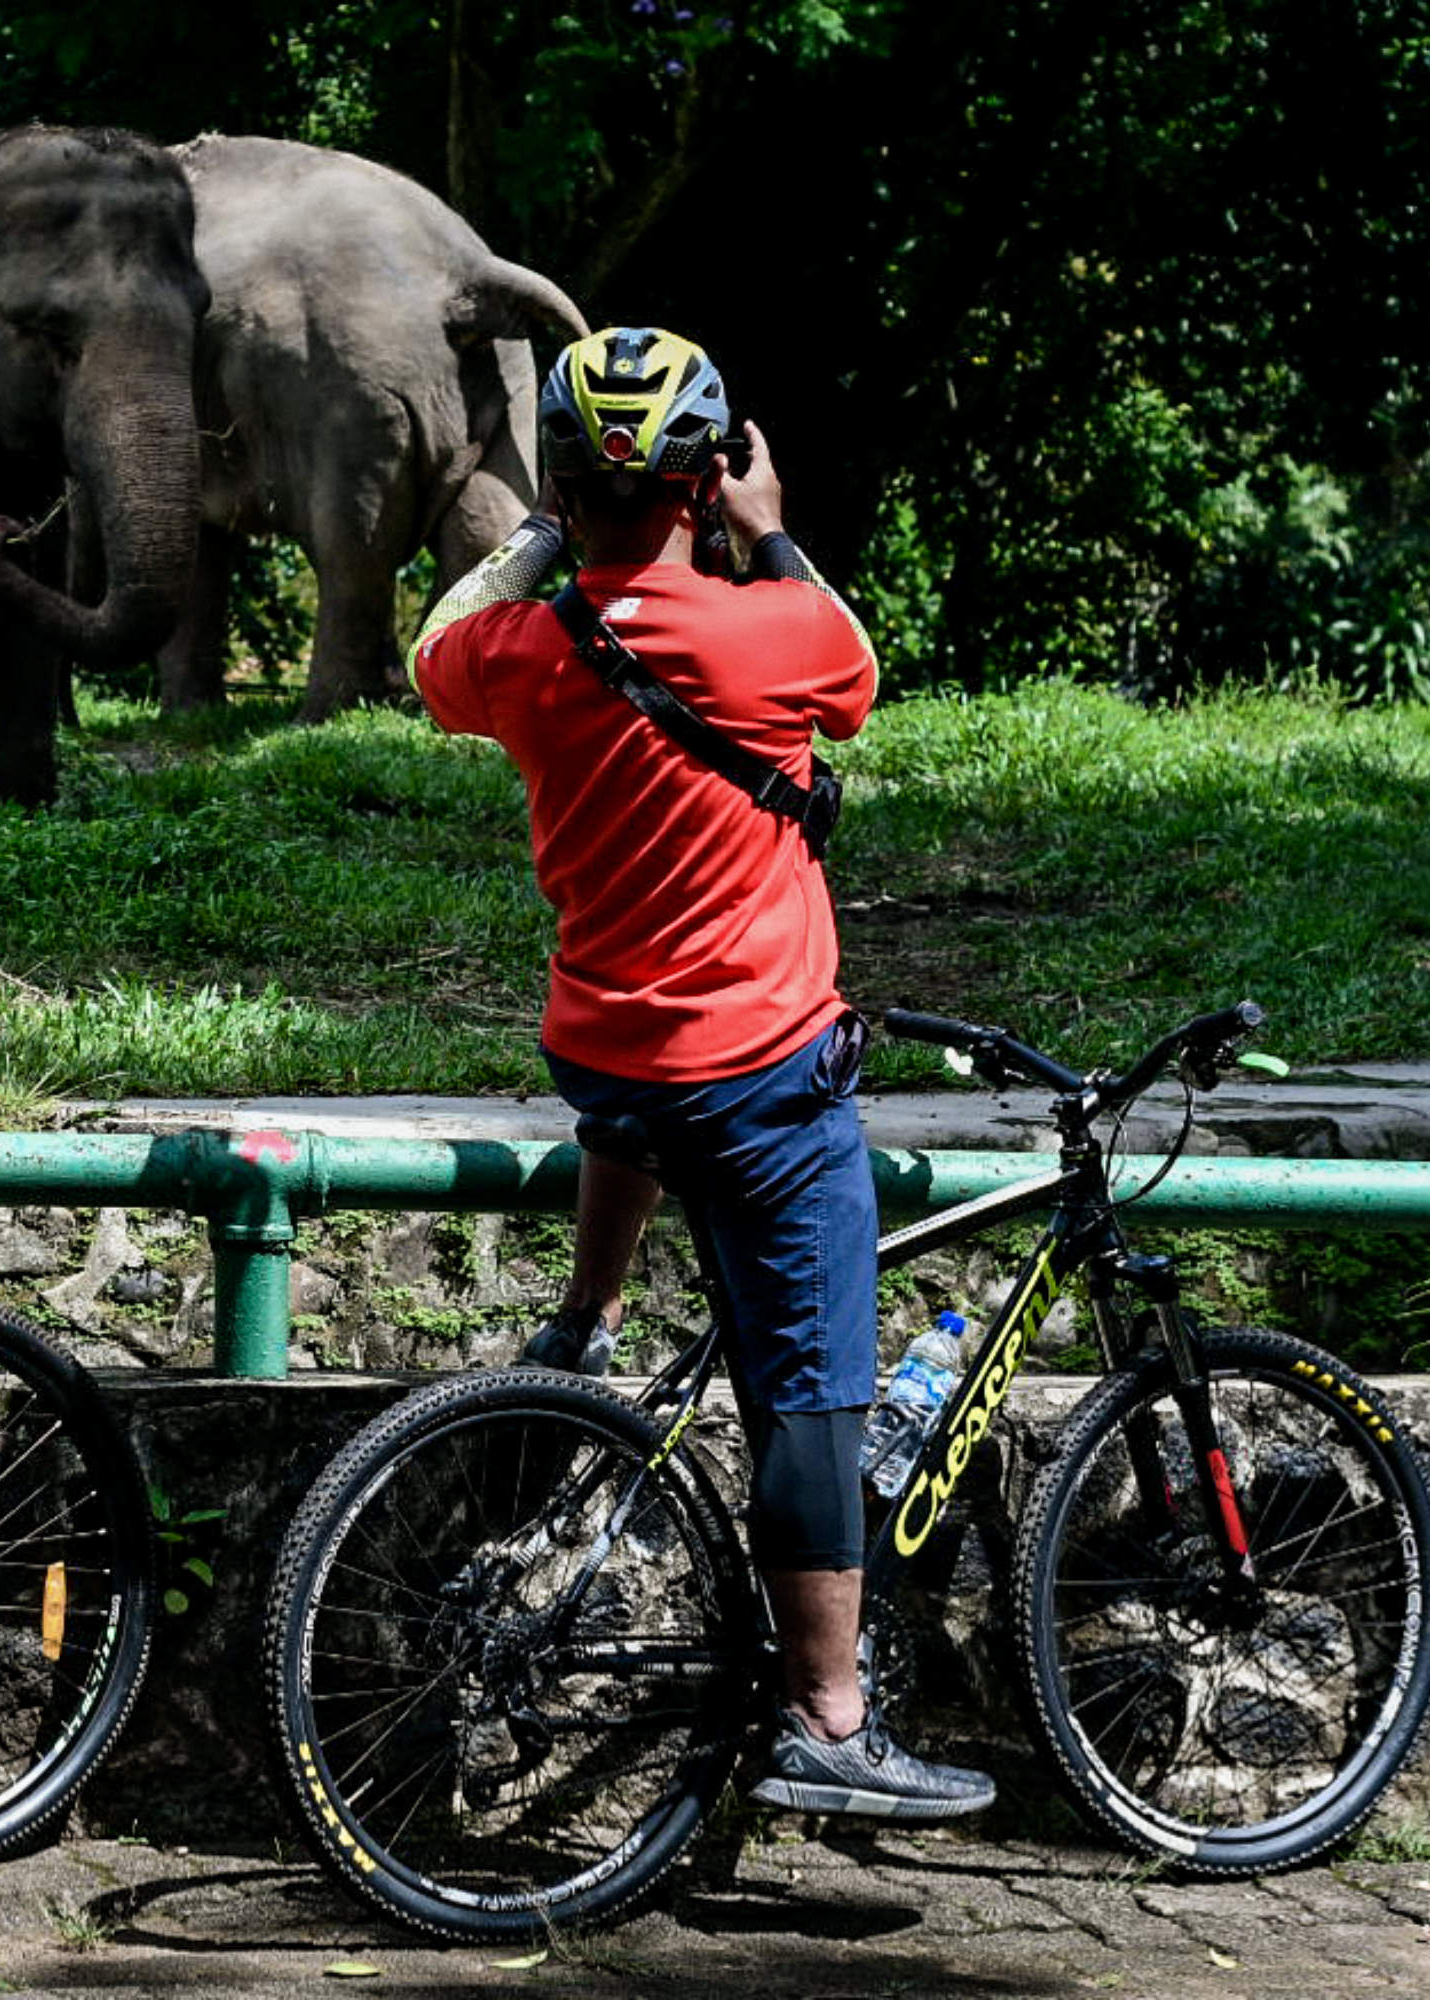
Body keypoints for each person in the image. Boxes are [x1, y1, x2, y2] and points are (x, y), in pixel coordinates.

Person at [409, 327, 993, 1821]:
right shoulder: (768, 633)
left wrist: (540, 539)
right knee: (812, 1397)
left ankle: (590, 1323)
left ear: (558, 480)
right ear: (702, 475)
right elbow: (856, 670)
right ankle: (830, 1716)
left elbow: (434, 646)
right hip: (761, 1080)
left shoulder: (517, 655)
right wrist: (769, 525)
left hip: (606, 1050)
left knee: (635, 1098)